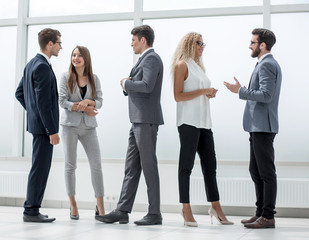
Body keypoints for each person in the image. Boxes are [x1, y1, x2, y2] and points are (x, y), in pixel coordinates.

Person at [95, 25, 164, 226]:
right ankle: (122, 210)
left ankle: (154, 213)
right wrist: (130, 84)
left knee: (149, 167)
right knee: (131, 168)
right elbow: (142, 83)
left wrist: (126, 83)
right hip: (137, 120)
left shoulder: (151, 58)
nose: (131, 43)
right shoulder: (145, 60)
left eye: (133, 40)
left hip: (145, 120)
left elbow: (147, 85)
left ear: (143, 40)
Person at [171, 32, 233, 227]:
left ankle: (216, 206)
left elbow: (197, 93)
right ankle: (185, 208)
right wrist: (203, 91)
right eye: (199, 43)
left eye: (203, 43)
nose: (202, 46)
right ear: (190, 43)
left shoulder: (199, 67)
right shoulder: (182, 65)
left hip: (204, 122)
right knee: (186, 167)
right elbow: (178, 96)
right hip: (188, 122)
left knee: (210, 167)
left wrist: (208, 93)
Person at [224, 28, 282, 228]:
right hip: (257, 126)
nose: (250, 45)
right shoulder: (263, 64)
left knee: (266, 172)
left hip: (263, 126)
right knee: (255, 170)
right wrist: (242, 90)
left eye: (253, 42)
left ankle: (268, 216)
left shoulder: (267, 65)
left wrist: (240, 91)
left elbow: (266, 95)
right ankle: (260, 213)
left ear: (262, 45)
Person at [15, 28, 62, 223]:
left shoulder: (31, 64)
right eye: (59, 43)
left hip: (38, 126)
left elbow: (19, 93)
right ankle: (31, 210)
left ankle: (32, 209)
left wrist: (33, 113)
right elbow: (42, 102)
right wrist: (51, 130)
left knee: (38, 167)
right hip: (44, 129)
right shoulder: (42, 66)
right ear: (50, 44)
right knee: (40, 169)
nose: (61, 47)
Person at [58, 46, 105, 220]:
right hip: (69, 126)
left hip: (89, 127)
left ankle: (100, 205)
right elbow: (62, 101)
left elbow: (99, 101)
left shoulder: (94, 78)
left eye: (79, 55)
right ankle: (73, 204)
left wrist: (89, 102)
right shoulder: (65, 77)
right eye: (73, 55)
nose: (75, 58)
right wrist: (84, 107)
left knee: (96, 165)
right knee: (70, 165)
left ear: (86, 58)